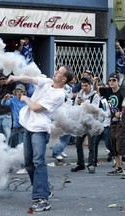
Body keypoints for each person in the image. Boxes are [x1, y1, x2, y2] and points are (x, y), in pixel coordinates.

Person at [6, 65, 74, 212]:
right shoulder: (48, 82)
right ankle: (44, 190)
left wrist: (25, 98)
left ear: (64, 79)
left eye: (59, 72)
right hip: (29, 126)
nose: (55, 72)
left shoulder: (59, 94)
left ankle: (42, 199)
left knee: (38, 162)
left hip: (40, 130)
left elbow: (36, 107)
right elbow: (31, 79)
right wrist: (15, 77)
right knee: (29, 163)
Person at [94, 73, 125, 178]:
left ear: (118, 81)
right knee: (113, 145)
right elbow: (96, 89)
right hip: (112, 121)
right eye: (110, 80)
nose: (111, 82)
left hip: (122, 122)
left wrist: (121, 113)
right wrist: (95, 81)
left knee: (121, 145)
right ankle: (118, 167)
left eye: (114, 80)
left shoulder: (122, 92)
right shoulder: (108, 91)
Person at [70, 77, 100, 173]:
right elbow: (75, 107)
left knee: (91, 145)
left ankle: (91, 164)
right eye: (82, 85)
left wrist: (83, 103)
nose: (84, 87)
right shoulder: (80, 93)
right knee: (78, 143)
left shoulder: (95, 95)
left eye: (86, 85)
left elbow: (94, 109)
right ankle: (80, 163)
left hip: (92, 123)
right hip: (81, 122)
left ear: (90, 85)